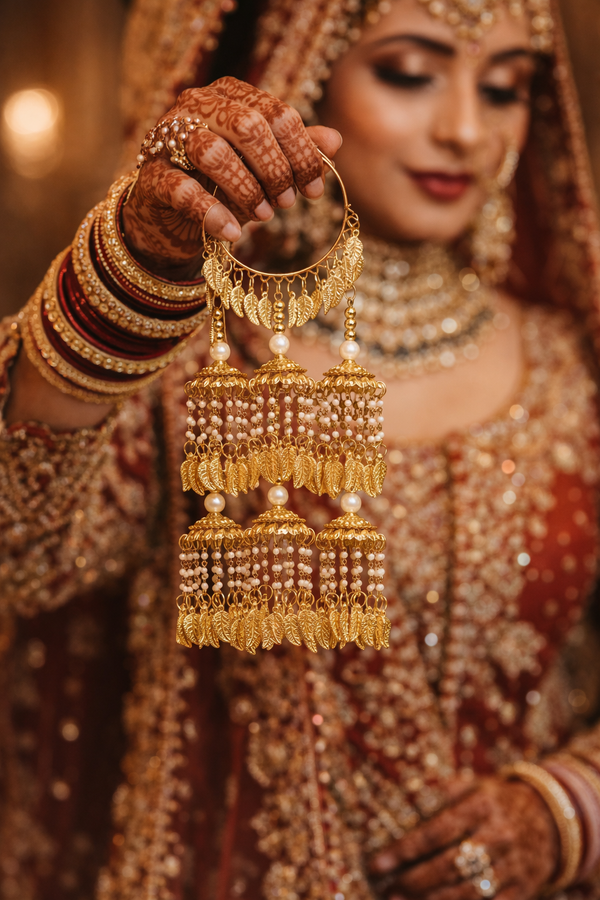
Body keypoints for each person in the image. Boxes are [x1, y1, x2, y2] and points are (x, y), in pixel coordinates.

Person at [2, 0, 600, 898]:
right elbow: (23, 549)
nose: (467, 131)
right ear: (303, 74)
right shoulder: (185, 360)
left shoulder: (574, 366)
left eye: (506, 88)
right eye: (408, 74)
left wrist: (567, 812)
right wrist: (138, 262)